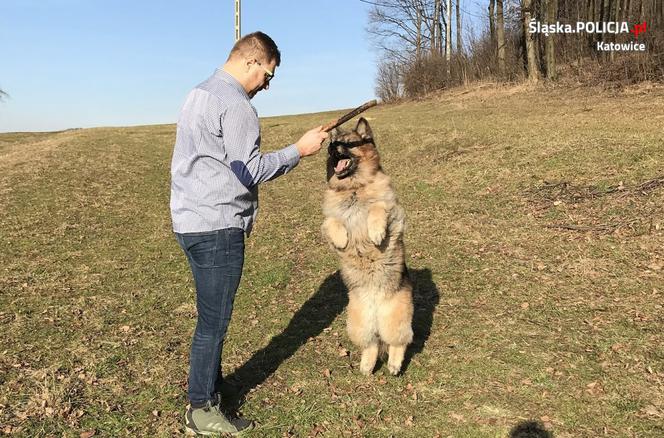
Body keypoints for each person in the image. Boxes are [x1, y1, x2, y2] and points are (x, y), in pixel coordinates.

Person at [170, 31, 328, 435]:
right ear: (252, 62)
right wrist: (300, 149)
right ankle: (201, 408)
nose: (267, 86)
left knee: (211, 317)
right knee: (214, 322)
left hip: (189, 221)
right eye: (268, 76)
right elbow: (250, 169)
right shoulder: (235, 104)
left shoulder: (198, 94)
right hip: (217, 225)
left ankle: (209, 389)